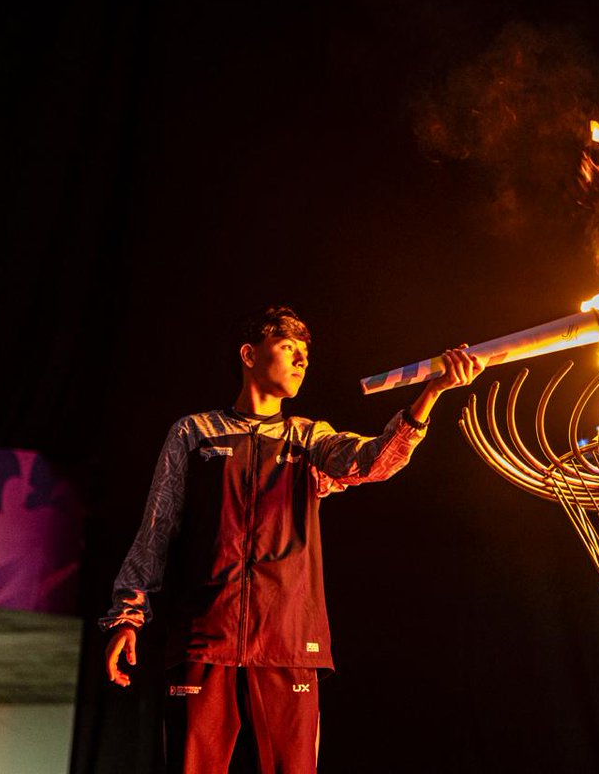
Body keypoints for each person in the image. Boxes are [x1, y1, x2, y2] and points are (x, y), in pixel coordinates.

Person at [99, 305, 483, 773]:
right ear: (249, 354)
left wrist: (432, 393)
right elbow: (155, 530)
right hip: (205, 640)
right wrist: (128, 616)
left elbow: (373, 462)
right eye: (288, 348)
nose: (301, 360)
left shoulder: (309, 440)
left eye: (306, 353)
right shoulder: (193, 433)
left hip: (289, 644)